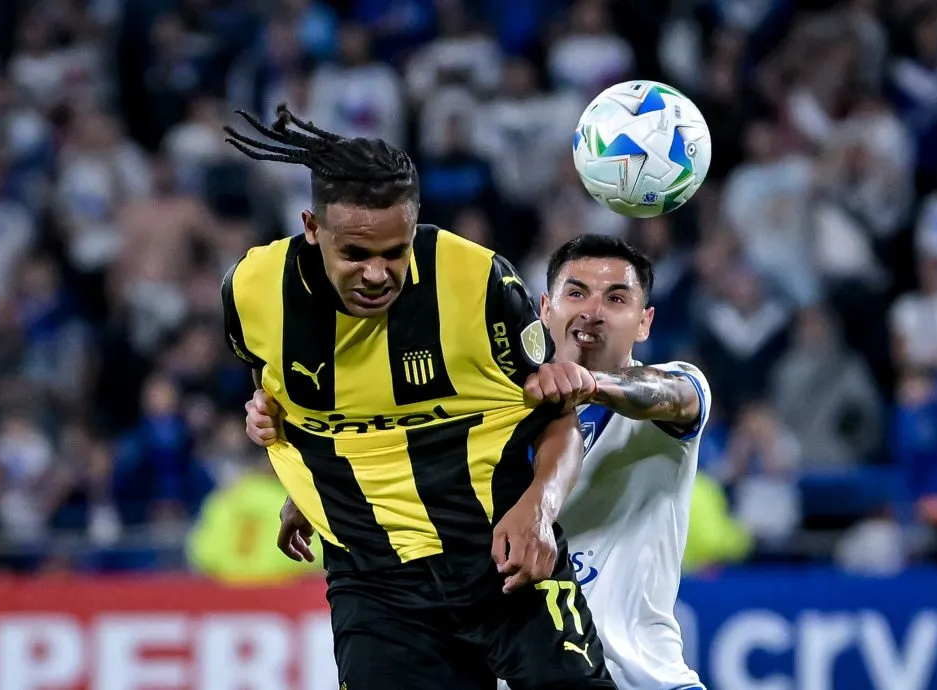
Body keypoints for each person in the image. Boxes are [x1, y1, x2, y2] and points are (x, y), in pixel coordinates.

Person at [221, 105, 616, 690]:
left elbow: (558, 419)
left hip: (502, 559)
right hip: (375, 586)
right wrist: (306, 484)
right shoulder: (253, 294)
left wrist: (539, 509)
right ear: (312, 227)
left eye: (395, 252)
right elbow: (277, 392)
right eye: (355, 254)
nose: (378, 273)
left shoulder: (479, 283)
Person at [248, 234, 713, 690]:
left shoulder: (671, 391)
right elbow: (402, 466)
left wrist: (590, 383)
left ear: (645, 321)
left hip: (648, 677)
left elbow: (669, 396)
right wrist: (310, 487)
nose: (592, 311)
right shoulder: (491, 411)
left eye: (616, 298)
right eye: (576, 293)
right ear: (545, 308)